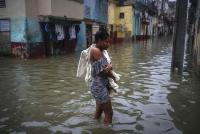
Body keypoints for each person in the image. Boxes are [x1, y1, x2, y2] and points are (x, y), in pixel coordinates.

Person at [89, 30, 116, 124]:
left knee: (99, 111)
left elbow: (105, 67)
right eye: (106, 42)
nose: (108, 44)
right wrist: (114, 77)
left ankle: (94, 126)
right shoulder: (96, 50)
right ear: (99, 40)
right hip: (99, 86)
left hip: (99, 85)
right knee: (109, 113)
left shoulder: (99, 50)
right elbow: (105, 70)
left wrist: (109, 67)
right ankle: (107, 130)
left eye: (109, 42)